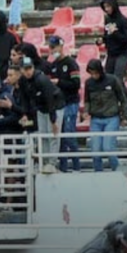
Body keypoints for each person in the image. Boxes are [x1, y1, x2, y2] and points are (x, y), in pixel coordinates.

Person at [82, 59, 127, 173]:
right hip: (96, 119)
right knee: (95, 150)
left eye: (95, 73)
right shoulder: (89, 83)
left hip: (111, 118)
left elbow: (122, 99)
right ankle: (98, 173)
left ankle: (116, 170)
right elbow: (87, 100)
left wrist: (124, 117)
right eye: (91, 73)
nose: (94, 76)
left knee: (108, 148)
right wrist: (86, 111)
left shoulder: (112, 80)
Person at [46, 36, 81, 172]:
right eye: (50, 47)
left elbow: (76, 84)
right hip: (58, 105)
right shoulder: (53, 65)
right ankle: (64, 168)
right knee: (59, 138)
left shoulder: (71, 63)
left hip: (70, 103)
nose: (52, 50)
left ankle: (77, 167)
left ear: (61, 47)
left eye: (54, 47)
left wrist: (59, 82)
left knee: (69, 135)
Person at [99, 0, 127, 80]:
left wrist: (115, 32)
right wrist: (102, 40)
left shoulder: (124, 21)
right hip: (111, 54)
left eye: (108, 6)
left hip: (122, 54)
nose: (107, 9)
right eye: (105, 7)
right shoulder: (107, 19)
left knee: (118, 79)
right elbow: (107, 35)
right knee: (108, 79)